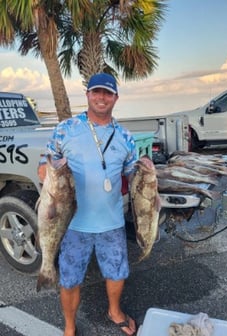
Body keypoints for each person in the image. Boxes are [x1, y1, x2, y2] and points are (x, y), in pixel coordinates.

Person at [38, 73, 137, 336]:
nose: (101, 98)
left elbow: (132, 174)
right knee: (69, 280)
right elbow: (44, 163)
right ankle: (69, 326)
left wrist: (147, 173)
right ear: (88, 95)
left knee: (117, 273)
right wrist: (47, 171)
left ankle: (114, 311)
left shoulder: (125, 137)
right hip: (72, 224)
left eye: (107, 93)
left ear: (115, 97)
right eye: (96, 92)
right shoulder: (66, 129)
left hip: (112, 221)